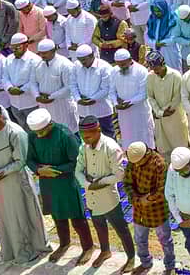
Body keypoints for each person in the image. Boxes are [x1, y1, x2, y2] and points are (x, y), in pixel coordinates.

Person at [0, 98, 49, 263]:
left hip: (15, 181)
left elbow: (21, 161)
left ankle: (30, 250)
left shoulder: (15, 132)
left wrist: (0, 173)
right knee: (4, 217)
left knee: (21, 216)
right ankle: (12, 250)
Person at [25, 108, 94, 264]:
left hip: (66, 182)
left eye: (41, 132)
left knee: (76, 217)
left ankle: (88, 246)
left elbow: (77, 162)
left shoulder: (65, 135)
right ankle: (64, 243)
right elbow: (29, 159)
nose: (38, 135)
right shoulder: (33, 136)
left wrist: (55, 170)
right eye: (36, 132)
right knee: (57, 215)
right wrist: (38, 169)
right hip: (47, 182)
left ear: (49, 125)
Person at [74, 115, 136, 271]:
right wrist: (88, 184)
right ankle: (105, 251)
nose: (85, 140)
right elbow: (78, 171)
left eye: (88, 136)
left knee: (121, 229)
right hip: (91, 196)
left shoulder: (111, 147)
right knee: (99, 225)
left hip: (108, 198)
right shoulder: (84, 147)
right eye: (83, 136)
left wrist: (100, 183)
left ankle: (131, 257)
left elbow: (119, 174)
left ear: (98, 130)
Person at [123, 142, 176, 275]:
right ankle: (145, 262)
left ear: (146, 155)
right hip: (139, 208)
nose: (136, 165)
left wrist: (148, 199)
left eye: (139, 162)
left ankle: (170, 266)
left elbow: (163, 190)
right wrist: (137, 199)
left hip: (157, 210)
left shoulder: (159, 164)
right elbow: (127, 183)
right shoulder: (133, 161)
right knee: (140, 239)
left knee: (165, 240)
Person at [146, 51, 190, 157]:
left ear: (162, 64)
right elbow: (150, 97)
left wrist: (166, 110)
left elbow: (177, 97)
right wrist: (159, 112)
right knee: (164, 149)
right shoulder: (150, 77)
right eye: (153, 69)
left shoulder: (175, 76)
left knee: (181, 147)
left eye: (157, 68)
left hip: (175, 116)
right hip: (160, 117)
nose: (155, 71)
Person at [111, 49, 156, 149]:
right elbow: (111, 91)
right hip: (124, 113)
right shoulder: (114, 71)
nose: (121, 67)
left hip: (140, 112)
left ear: (130, 60)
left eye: (123, 64)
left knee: (144, 138)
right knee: (128, 139)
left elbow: (144, 94)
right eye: (119, 64)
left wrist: (129, 102)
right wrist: (115, 103)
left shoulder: (141, 71)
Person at [34, 38, 79, 134]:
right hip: (44, 105)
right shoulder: (38, 64)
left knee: (68, 133)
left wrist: (51, 97)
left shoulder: (65, 64)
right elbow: (32, 82)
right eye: (40, 53)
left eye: (45, 53)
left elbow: (69, 87)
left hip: (62, 106)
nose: (42, 56)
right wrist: (37, 96)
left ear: (53, 51)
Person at [70, 44, 116, 138]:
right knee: (88, 139)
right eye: (80, 59)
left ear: (92, 56)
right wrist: (78, 99)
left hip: (102, 111)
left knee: (107, 137)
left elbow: (106, 88)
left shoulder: (104, 67)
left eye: (84, 59)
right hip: (83, 111)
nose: (82, 62)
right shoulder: (76, 66)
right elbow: (73, 84)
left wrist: (92, 99)